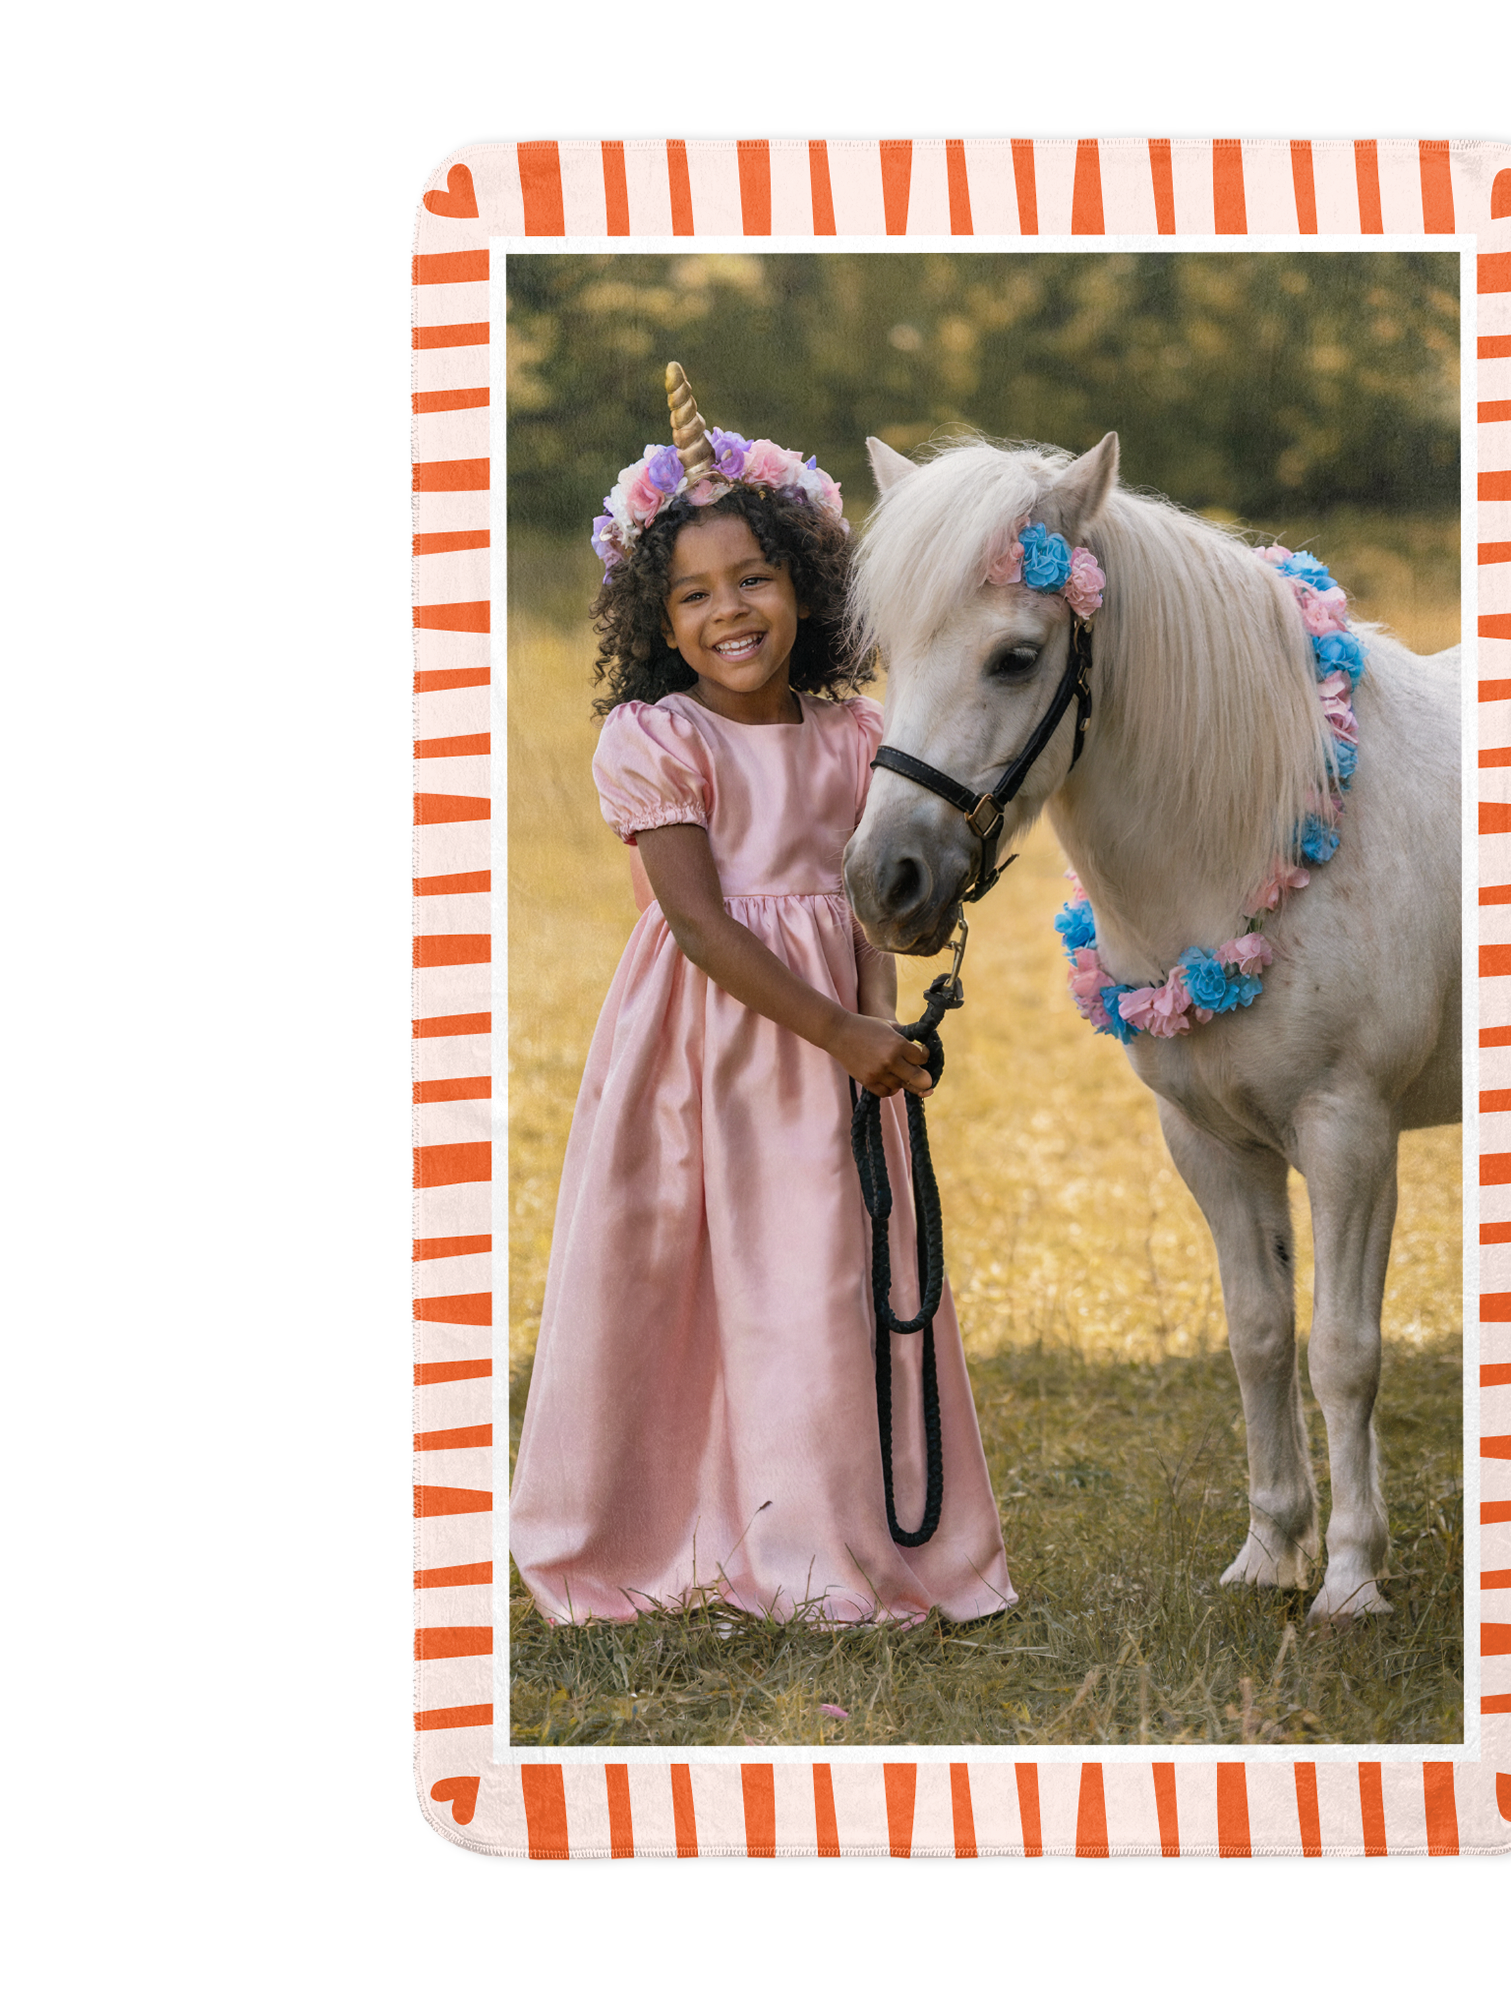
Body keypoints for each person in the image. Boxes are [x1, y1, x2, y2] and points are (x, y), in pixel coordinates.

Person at [508, 366, 1014, 1627]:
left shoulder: (854, 735)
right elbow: (695, 920)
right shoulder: (658, 738)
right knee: (683, 1281)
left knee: (828, 1282)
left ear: (805, 585)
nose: (728, 609)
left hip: (840, 1051)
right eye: (693, 593)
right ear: (657, 616)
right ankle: (666, 1523)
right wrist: (839, 1028)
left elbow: (873, 901)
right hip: (707, 1046)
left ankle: (834, 1535)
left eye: (752, 578)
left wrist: (883, 1023)